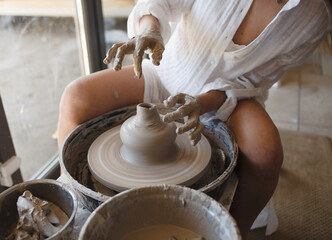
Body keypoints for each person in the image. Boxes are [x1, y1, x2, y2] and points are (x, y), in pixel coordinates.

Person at [57, 0, 332, 238]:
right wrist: (150, 30)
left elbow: (250, 81)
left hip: (225, 101)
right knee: (76, 97)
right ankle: (69, 202)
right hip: (164, 75)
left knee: (266, 150)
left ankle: (232, 230)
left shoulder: (311, 18)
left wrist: (202, 103)